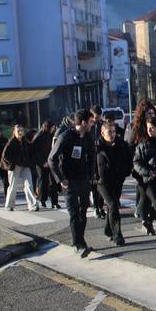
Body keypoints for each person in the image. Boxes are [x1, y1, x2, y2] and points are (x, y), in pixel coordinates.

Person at [49, 109, 96, 258]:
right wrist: (60, 178)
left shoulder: (88, 137)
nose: (92, 124)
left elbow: (92, 156)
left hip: (83, 179)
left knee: (83, 211)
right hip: (69, 181)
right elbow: (52, 159)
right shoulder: (66, 136)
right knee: (74, 212)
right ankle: (78, 244)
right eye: (90, 122)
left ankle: (81, 241)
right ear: (83, 122)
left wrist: (91, 175)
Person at [96, 121, 132, 246]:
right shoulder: (97, 147)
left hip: (117, 180)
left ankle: (108, 230)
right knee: (112, 205)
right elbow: (91, 163)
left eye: (114, 132)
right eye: (109, 132)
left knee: (113, 205)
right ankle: (117, 235)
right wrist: (94, 178)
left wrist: (126, 171)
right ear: (102, 133)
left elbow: (128, 158)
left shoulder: (121, 144)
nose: (112, 134)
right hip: (102, 182)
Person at [126, 99, 156, 231]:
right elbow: (129, 146)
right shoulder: (136, 128)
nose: (151, 115)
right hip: (140, 166)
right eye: (148, 113)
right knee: (144, 193)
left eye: (152, 113)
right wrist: (133, 165)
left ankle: (145, 216)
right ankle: (145, 220)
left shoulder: (155, 126)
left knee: (150, 195)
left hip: (154, 166)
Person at [2, 125, 38, 212]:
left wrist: (30, 162)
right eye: (18, 131)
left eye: (22, 131)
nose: (20, 132)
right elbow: (5, 156)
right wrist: (14, 162)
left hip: (25, 165)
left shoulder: (25, 141)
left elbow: (31, 152)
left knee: (29, 185)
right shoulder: (11, 142)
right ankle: (9, 205)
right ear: (14, 132)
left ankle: (33, 205)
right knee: (13, 186)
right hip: (15, 166)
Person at [32, 121, 60, 209]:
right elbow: (34, 152)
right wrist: (42, 162)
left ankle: (54, 202)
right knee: (43, 181)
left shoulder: (52, 136)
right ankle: (42, 199)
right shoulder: (39, 136)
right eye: (53, 127)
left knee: (53, 182)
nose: (54, 129)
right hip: (41, 163)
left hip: (51, 161)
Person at [89, 105, 105, 219]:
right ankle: (96, 207)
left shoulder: (102, 125)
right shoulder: (88, 125)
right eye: (95, 117)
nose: (96, 119)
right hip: (91, 158)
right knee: (94, 184)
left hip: (101, 156)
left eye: (98, 117)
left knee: (102, 183)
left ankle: (101, 206)